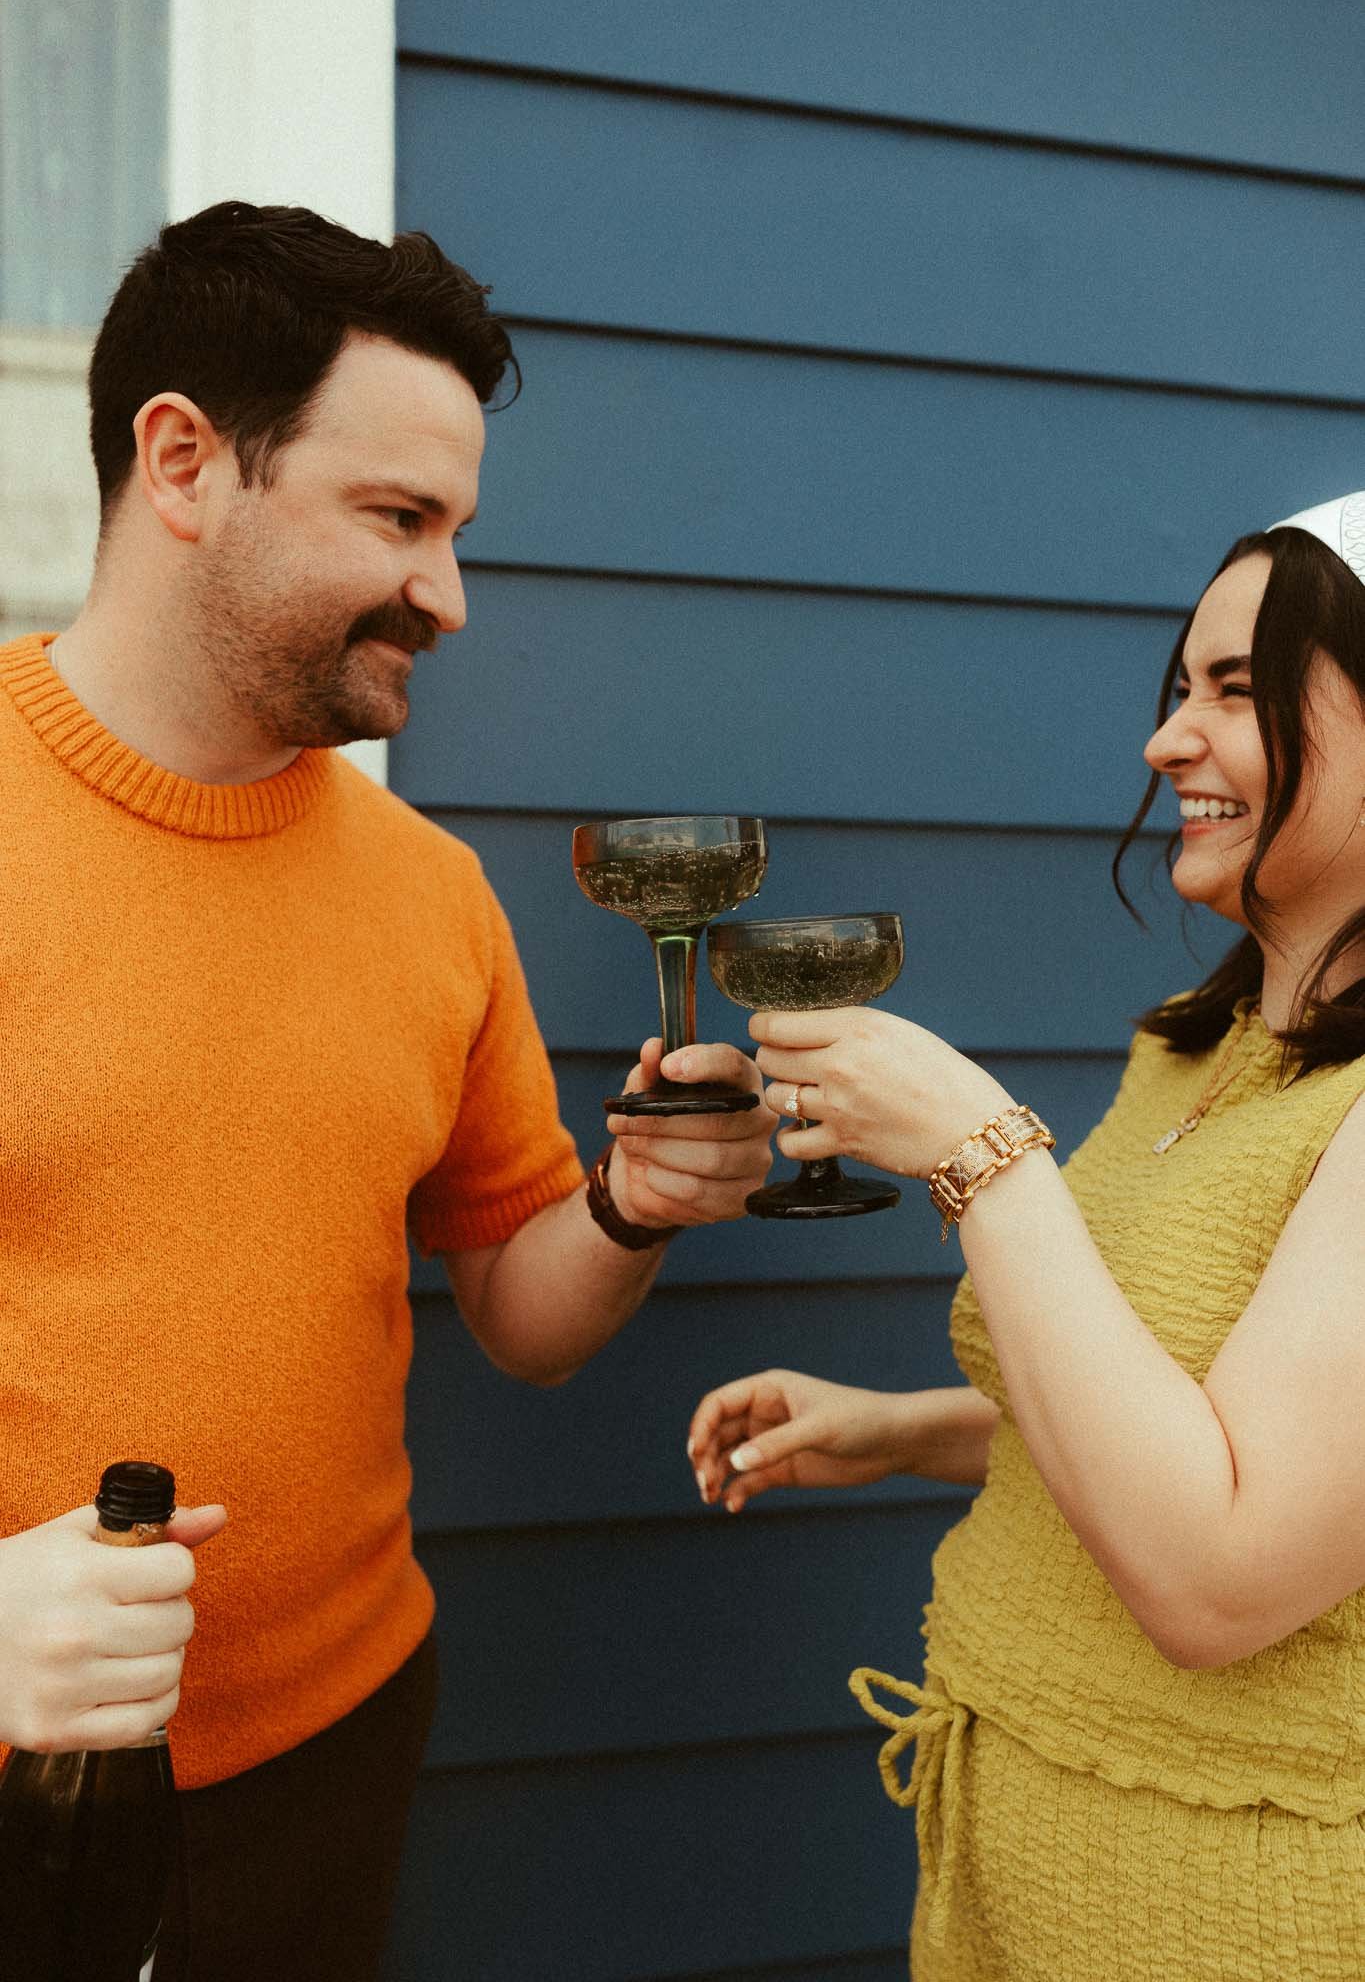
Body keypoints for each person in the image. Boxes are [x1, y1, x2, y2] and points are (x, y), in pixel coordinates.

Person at [0, 200, 775, 1982]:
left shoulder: (431, 893)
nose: (449, 592)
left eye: (457, 528)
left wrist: (629, 1203)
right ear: (184, 461)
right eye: (398, 518)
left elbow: (523, 1306)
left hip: (328, 1758)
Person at [689, 491, 1365, 1979]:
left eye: (1235, 694)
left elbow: (1221, 1572)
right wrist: (901, 1427)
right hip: (1021, 1865)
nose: (1165, 742)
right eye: (1175, 690)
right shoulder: (1187, 1056)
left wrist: (980, 1160)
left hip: (1232, 1917)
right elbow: (1175, 1420)